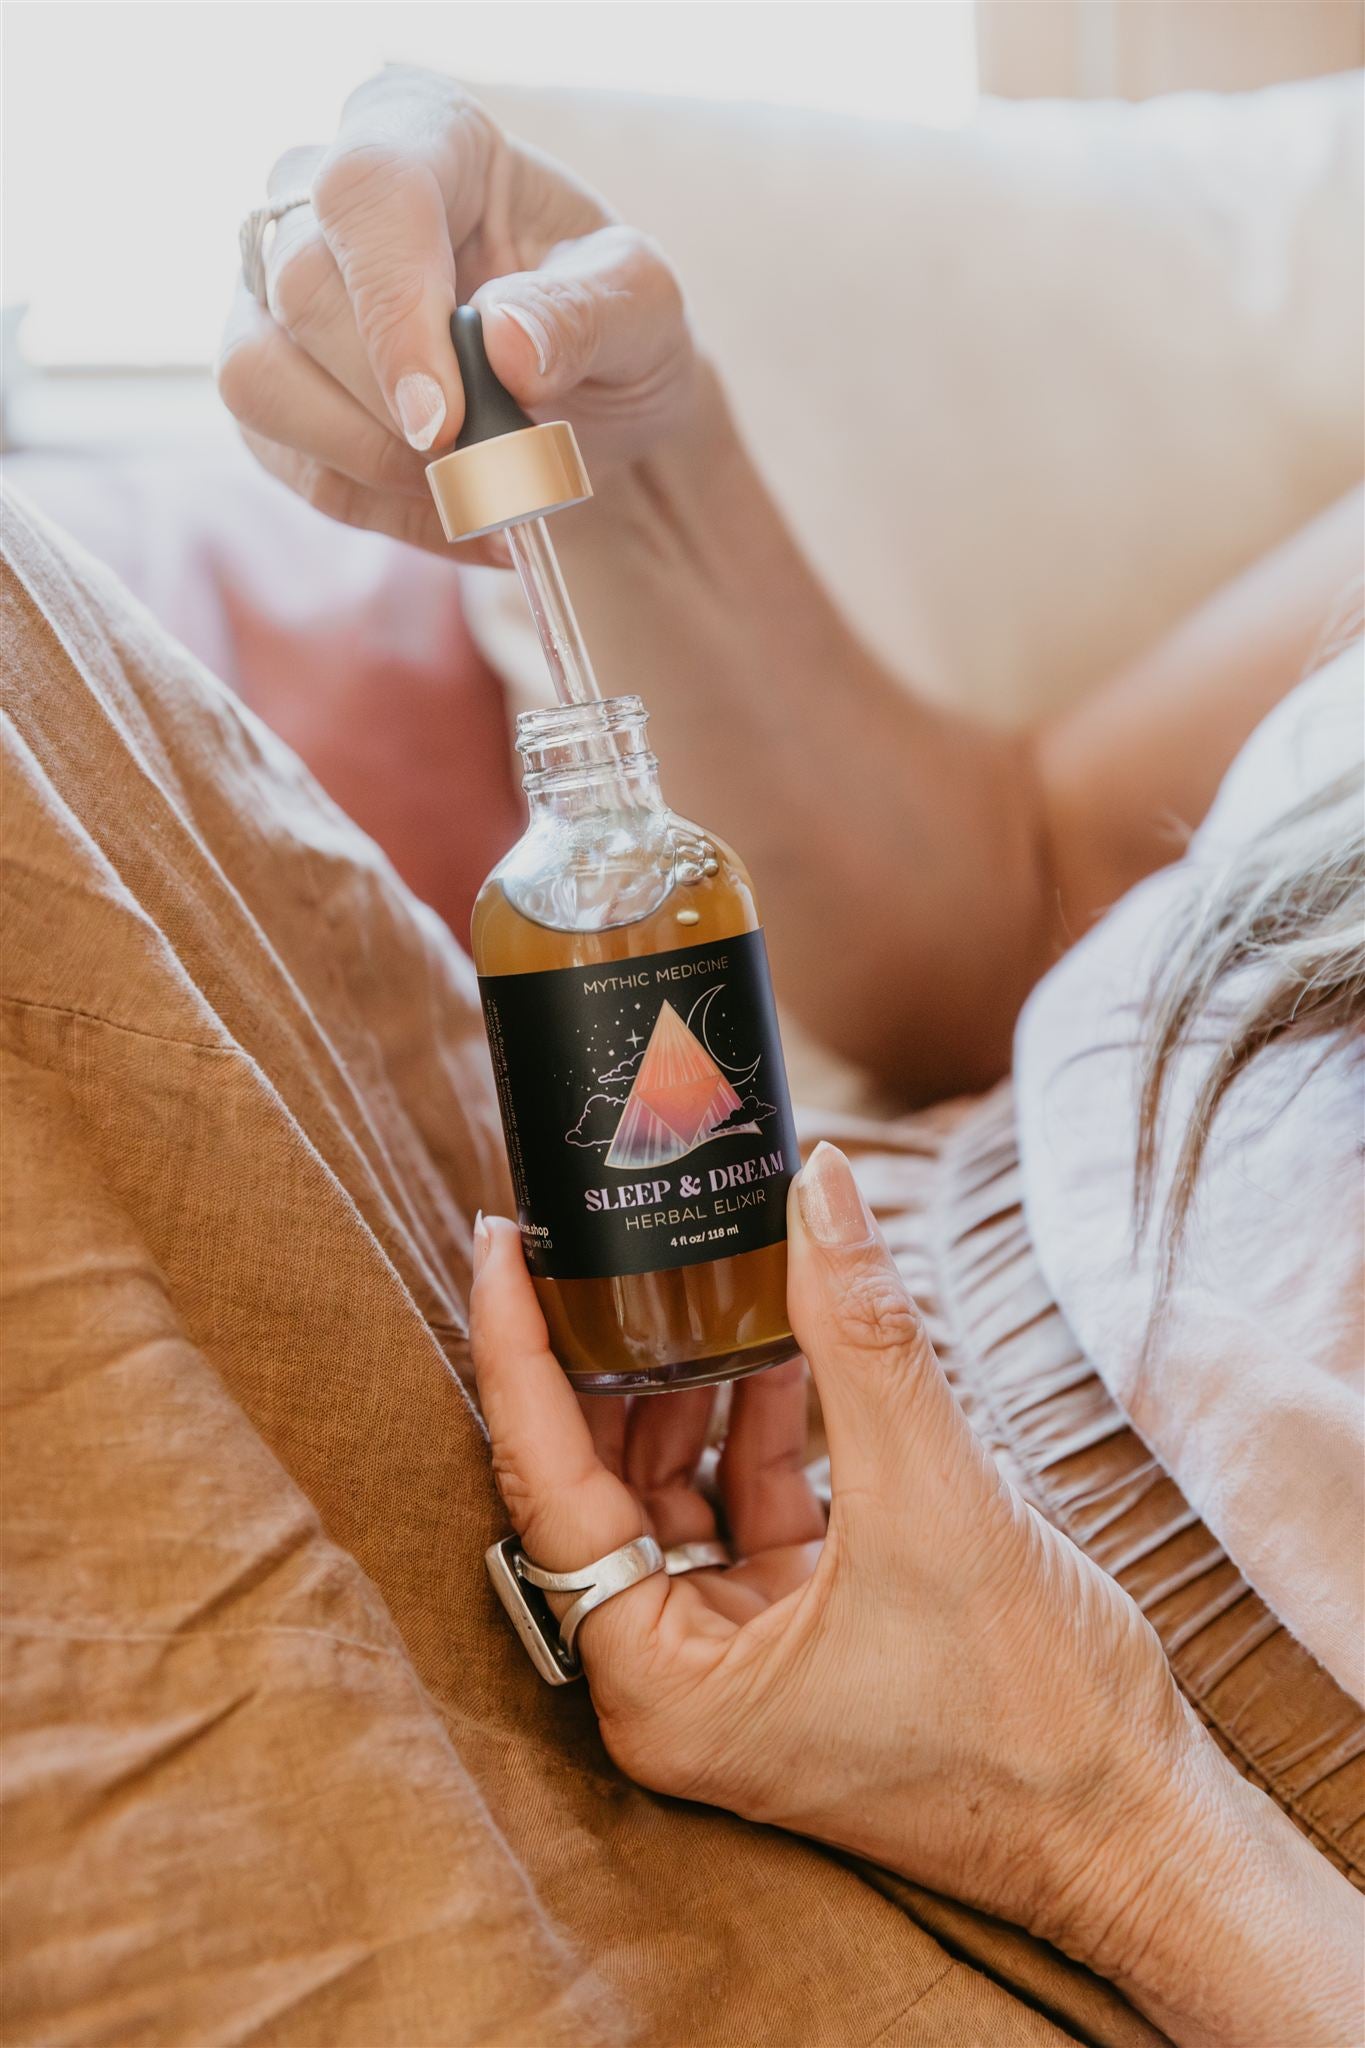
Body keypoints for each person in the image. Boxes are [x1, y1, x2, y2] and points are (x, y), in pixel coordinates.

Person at [7, 64, 1358, 2048]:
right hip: (618, 1380)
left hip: (1107, 1875)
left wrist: (1101, 1812)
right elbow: (1023, 899)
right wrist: (636, 480)